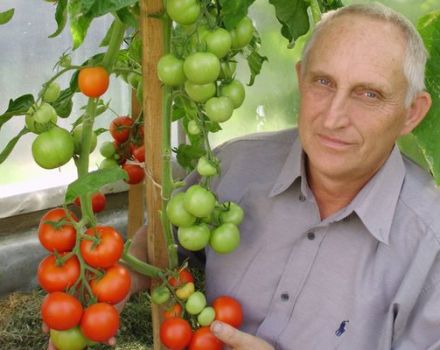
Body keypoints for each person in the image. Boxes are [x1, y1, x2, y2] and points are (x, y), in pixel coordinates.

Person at [48, 3, 438, 349]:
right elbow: (166, 243)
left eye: (368, 94)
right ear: (301, 78)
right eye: (323, 82)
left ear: (412, 113)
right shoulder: (236, 167)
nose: (334, 118)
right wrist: (118, 281)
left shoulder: (429, 248)